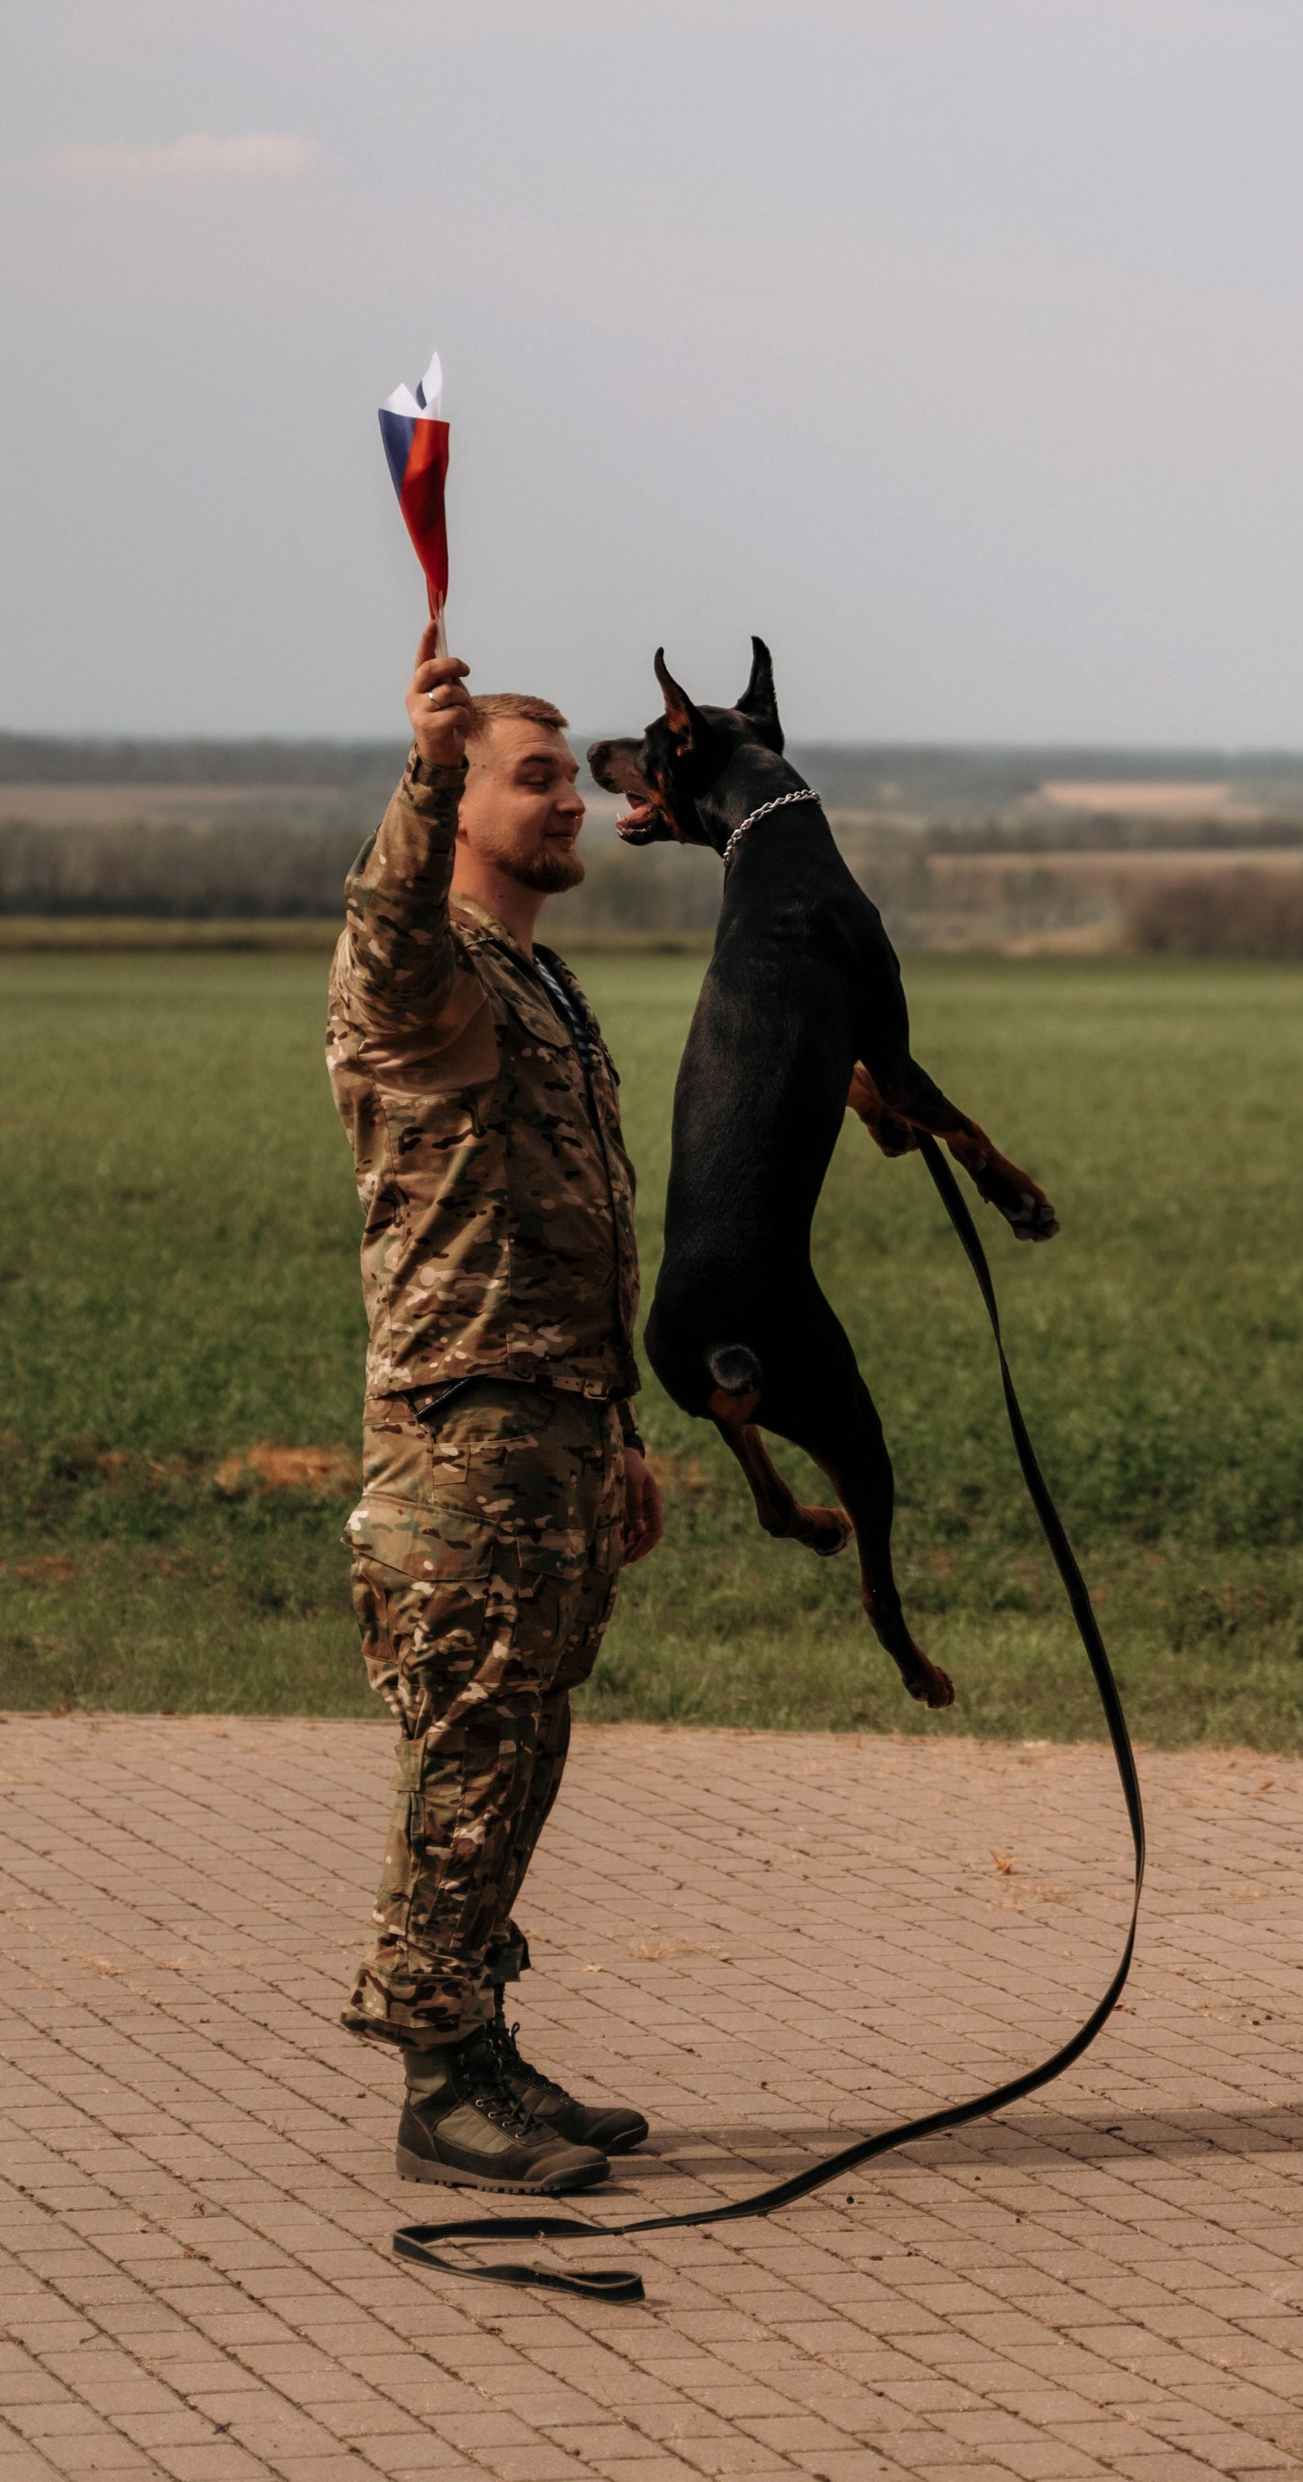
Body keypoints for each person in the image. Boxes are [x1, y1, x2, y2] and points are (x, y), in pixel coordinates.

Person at [327, 620, 666, 2196]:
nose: (568, 801)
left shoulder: (546, 981)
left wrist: (626, 1434)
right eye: (533, 778)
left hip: (561, 1434)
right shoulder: (426, 974)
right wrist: (418, 760)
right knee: (467, 1754)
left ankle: (483, 2049)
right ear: (457, 802)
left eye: (565, 781)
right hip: (461, 1438)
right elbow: (385, 920)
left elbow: (580, 1216)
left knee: (524, 1747)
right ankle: (434, 2087)